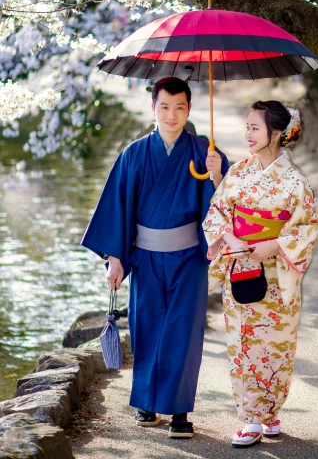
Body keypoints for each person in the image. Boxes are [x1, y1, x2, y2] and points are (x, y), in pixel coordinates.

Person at [82, 77, 228, 439]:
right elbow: (116, 209)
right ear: (153, 108)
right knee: (147, 329)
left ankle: (179, 411)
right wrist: (115, 259)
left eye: (180, 107)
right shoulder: (133, 154)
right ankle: (147, 403)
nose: (172, 114)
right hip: (145, 257)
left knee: (183, 331)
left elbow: (228, 205)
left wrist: (218, 175)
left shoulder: (205, 154)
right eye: (165, 106)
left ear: (190, 110)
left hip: (189, 257)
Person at [203, 101, 318, 448]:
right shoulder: (239, 171)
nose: (248, 134)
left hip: (276, 275)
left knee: (276, 347)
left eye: (255, 128)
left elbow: (309, 225)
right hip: (241, 268)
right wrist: (231, 238)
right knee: (243, 344)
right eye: (247, 127)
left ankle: (268, 412)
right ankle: (252, 416)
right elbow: (217, 211)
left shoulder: (295, 182)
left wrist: (274, 245)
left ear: (275, 134)